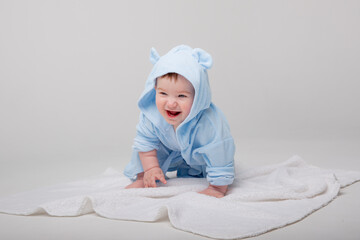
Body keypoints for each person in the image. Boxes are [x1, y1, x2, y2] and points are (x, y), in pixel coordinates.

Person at [124, 45, 235, 198]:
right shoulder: (151, 115)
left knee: (217, 156)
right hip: (168, 145)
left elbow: (220, 152)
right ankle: (144, 177)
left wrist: (218, 186)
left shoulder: (209, 123)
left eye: (181, 96)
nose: (170, 103)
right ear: (154, 88)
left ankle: (216, 188)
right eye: (163, 93)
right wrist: (151, 168)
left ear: (198, 96)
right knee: (141, 147)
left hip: (196, 152)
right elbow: (145, 143)